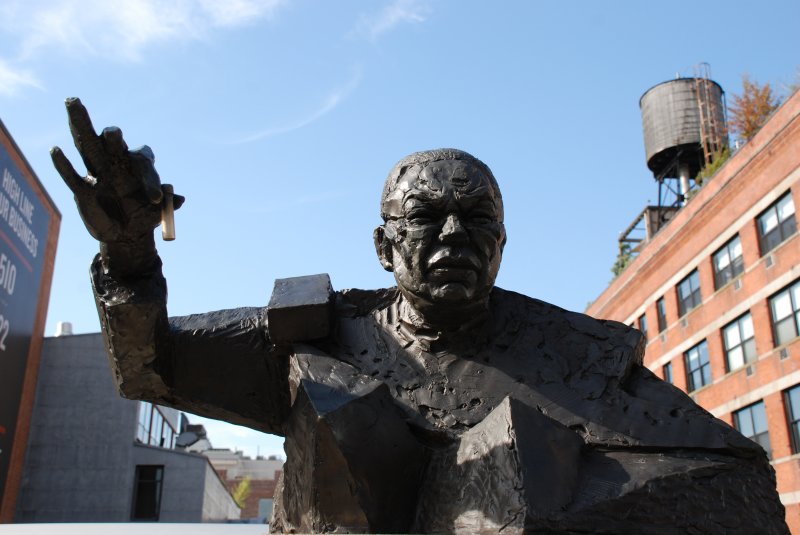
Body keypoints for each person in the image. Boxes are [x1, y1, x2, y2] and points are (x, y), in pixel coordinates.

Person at [54, 98, 788, 534]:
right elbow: (148, 367)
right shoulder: (313, 334)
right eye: (425, 217)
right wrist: (129, 256)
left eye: (476, 219)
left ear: (502, 242)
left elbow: (743, 489)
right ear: (383, 244)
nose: (451, 238)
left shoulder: (576, 359)